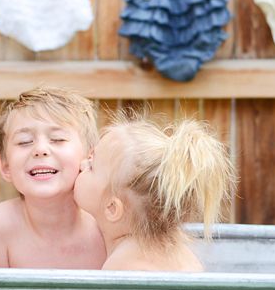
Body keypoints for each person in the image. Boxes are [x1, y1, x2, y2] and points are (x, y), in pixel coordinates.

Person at [74, 114, 236, 272]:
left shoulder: (125, 266)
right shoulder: (180, 253)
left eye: (91, 166)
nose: (82, 164)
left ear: (112, 208)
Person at [0, 87, 107, 269]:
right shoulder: (1, 226)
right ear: (5, 166)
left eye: (57, 139)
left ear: (89, 158)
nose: (40, 149)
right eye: (24, 141)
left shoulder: (105, 224)